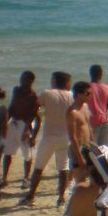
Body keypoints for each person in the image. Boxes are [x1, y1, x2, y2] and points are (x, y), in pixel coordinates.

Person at [23, 72, 74, 206]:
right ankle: (61, 197)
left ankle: (31, 196)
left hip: (49, 137)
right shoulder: (71, 96)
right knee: (63, 168)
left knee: (39, 167)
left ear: (55, 81)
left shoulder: (47, 93)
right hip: (65, 137)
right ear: (66, 82)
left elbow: (34, 109)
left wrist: (30, 127)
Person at [2, 71, 39, 188]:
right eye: (21, 78)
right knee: (7, 152)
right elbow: (11, 107)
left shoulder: (33, 97)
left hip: (25, 124)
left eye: (24, 79)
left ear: (30, 81)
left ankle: (26, 178)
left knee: (27, 154)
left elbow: (33, 115)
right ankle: (4, 177)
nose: (21, 81)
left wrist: (29, 131)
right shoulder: (16, 91)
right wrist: (4, 122)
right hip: (13, 122)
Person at [67, 81, 94, 170]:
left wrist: (94, 145)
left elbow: (89, 127)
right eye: (87, 93)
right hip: (77, 150)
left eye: (91, 93)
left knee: (94, 179)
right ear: (79, 94)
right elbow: (72, 137)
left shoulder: (85, 107)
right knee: (80, 179)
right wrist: (80, 158)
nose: (90, 96)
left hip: (88, 148)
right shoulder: (72, 113)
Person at [87, 64, 108, 147]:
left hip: (91, 121)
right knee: (104, 150)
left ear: (90, 74)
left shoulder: (87, 88)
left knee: (90, 149)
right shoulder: (106, 88)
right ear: (101, 74)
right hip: (104, 120)